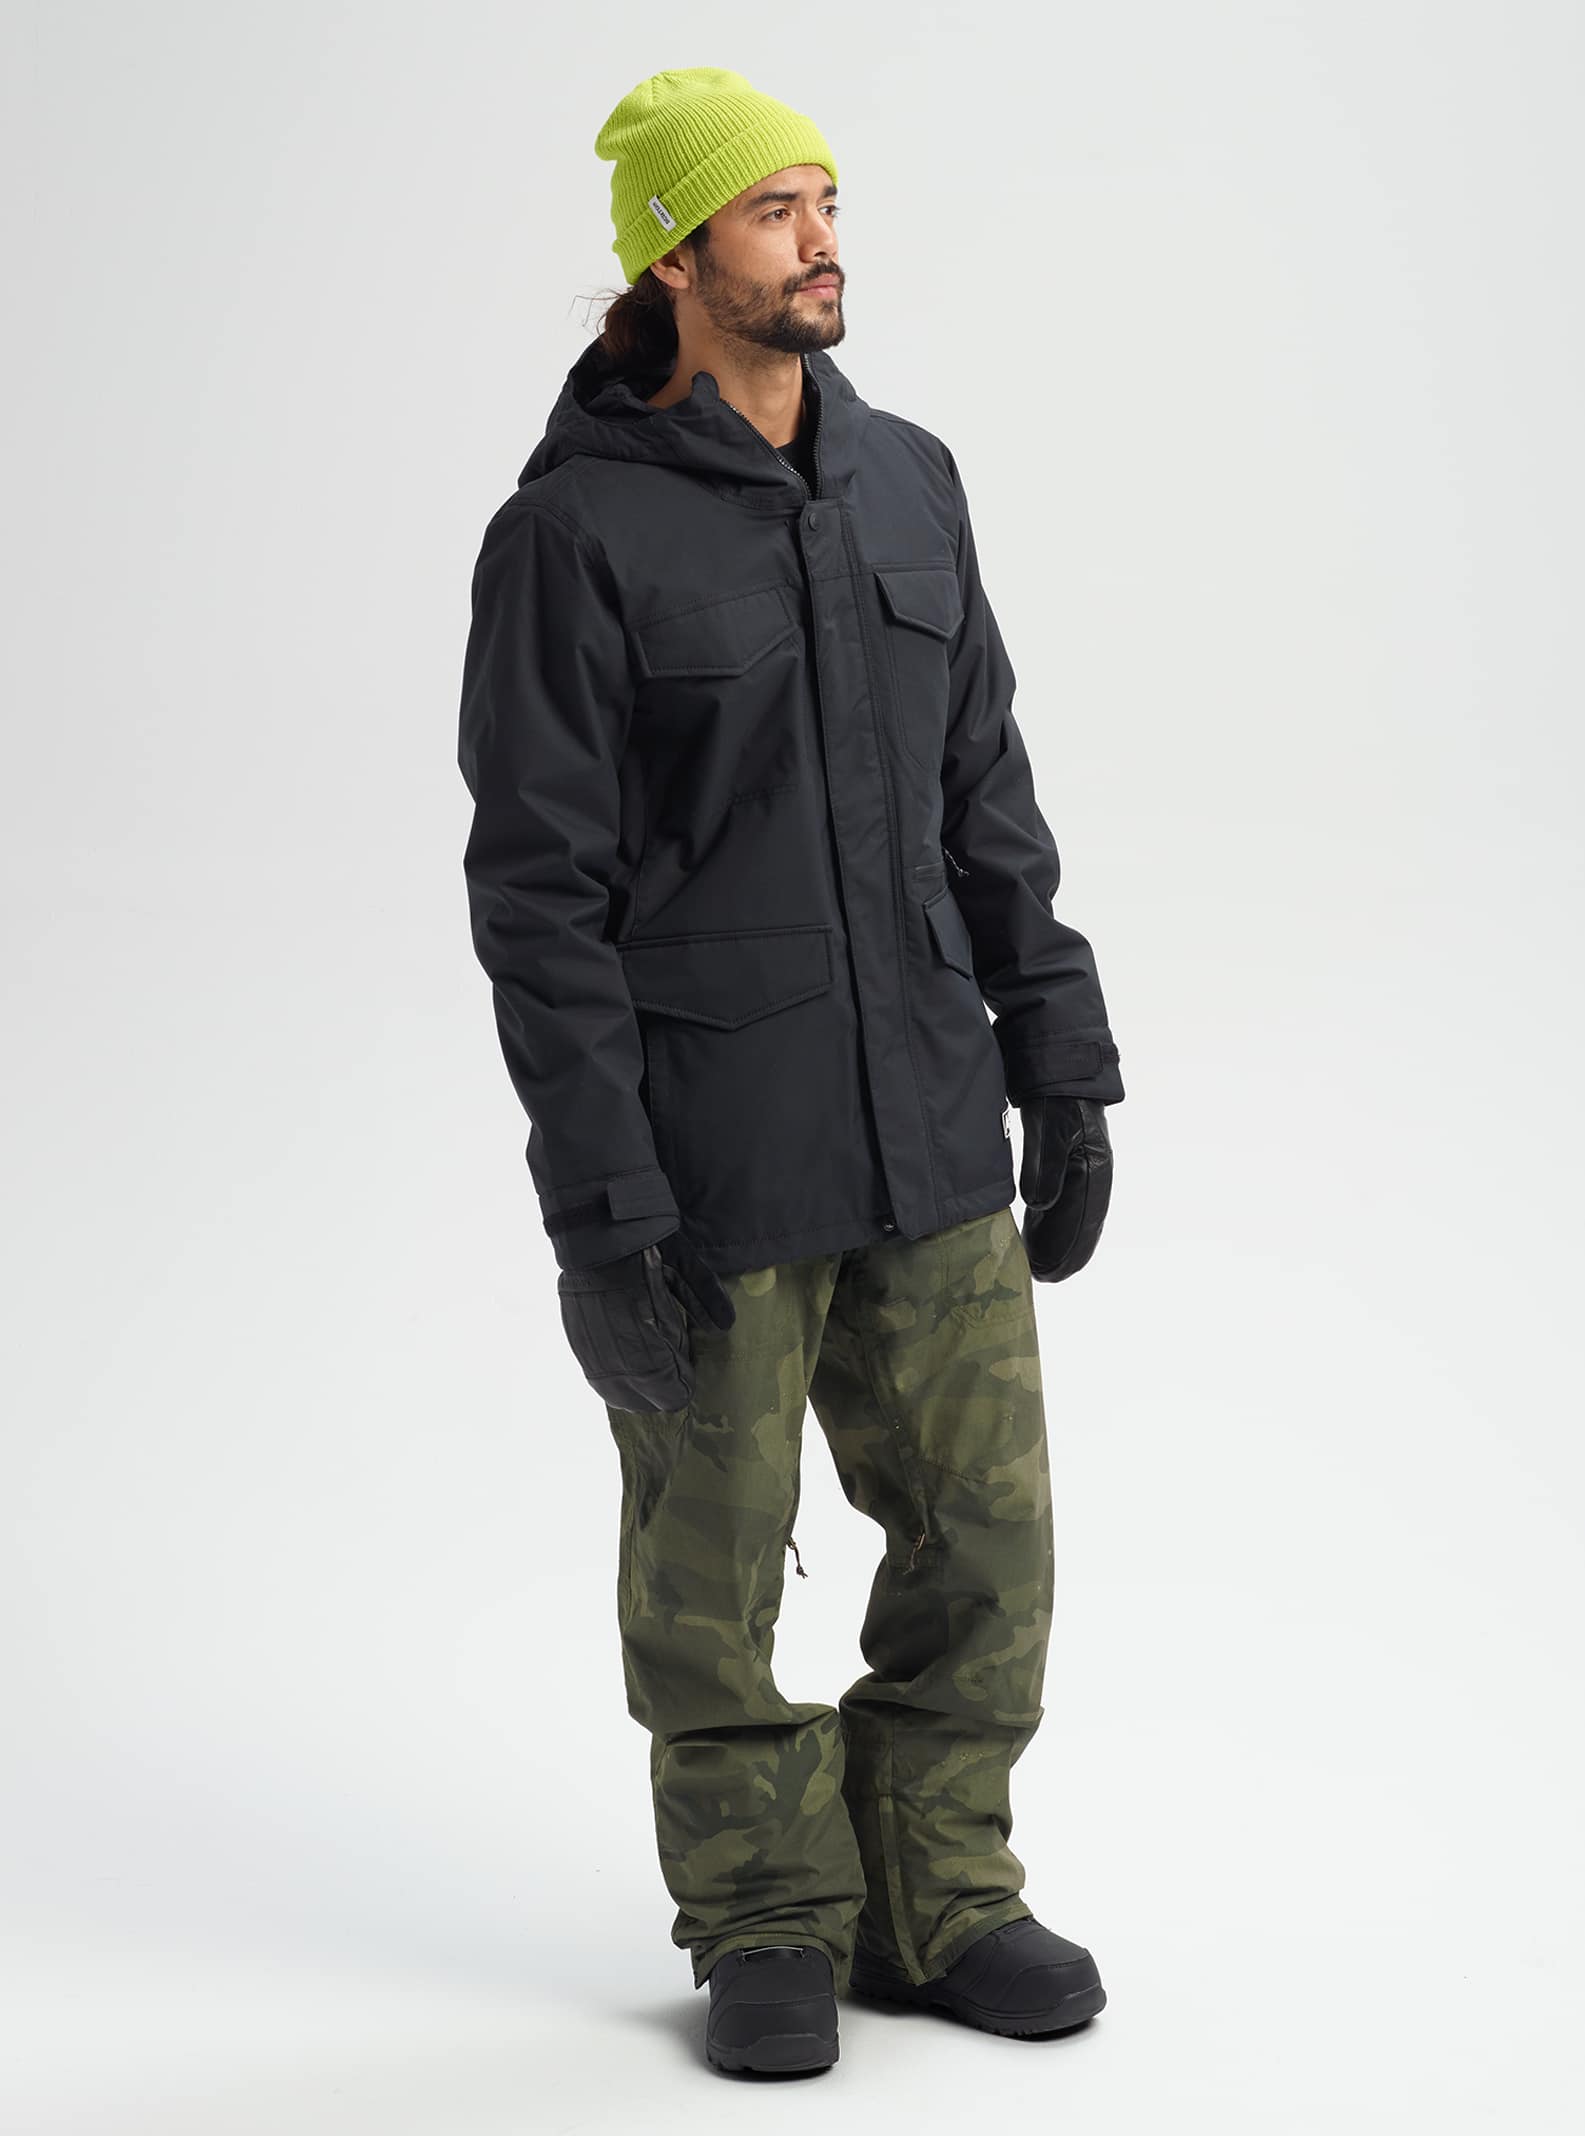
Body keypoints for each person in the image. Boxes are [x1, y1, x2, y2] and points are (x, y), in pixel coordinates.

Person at [456, 65, 1125, 2077]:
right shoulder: (571, 534)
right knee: (710, 1573)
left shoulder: (908, 480)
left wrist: (1059, 1057)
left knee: (987, 1546)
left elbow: (984, 790)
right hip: (715, 1153)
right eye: (771, 209)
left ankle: (941, 1893)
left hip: (928, 1116)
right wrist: (602, 1213)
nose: (821, 240)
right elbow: (538, 896)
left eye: (826, 199)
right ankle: (763, 1907)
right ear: (674, 257)